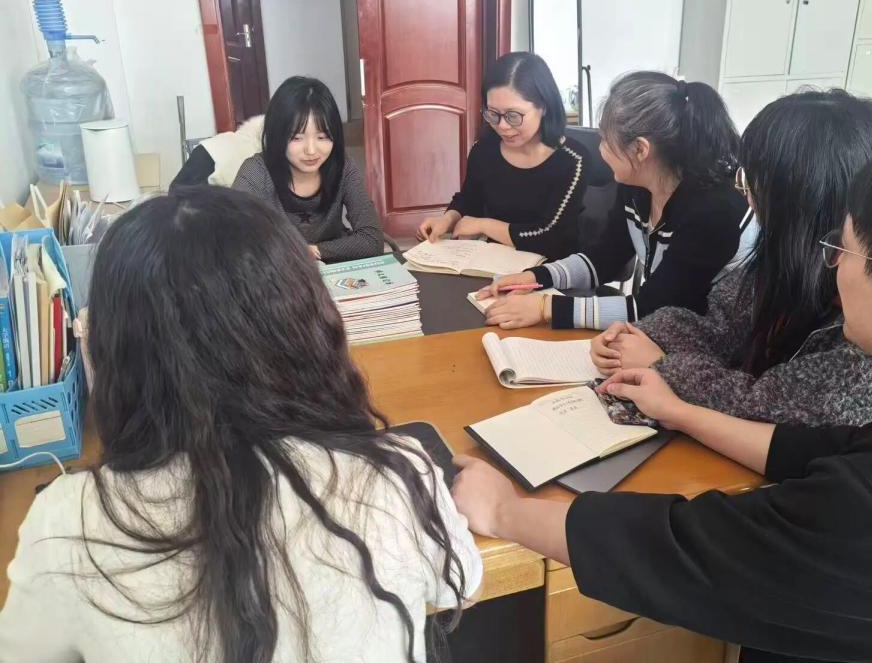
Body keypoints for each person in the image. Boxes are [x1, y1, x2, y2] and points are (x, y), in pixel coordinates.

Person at [451, 128, 872, 663]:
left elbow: (685, 550)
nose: (832, 267)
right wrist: (681, 412)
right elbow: (826, 447)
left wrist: (504, 510)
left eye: (844, 251)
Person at [0, 187, 481, 663]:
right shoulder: (398, 473)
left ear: (114, 347)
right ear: (305, 320)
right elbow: (464, 582)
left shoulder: (65, 524)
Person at [591, 89, 872, 425]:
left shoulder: (870, 318)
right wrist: (638, 336)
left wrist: (662, 365)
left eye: (752, 183)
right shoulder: (786, 260)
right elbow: (720, 323)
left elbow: (768, 406)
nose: (746, 195)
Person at [478, 71, 747, 331]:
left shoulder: (712, 212)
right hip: (661, 330)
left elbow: (656, 307)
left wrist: (545, 308)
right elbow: (605, 258)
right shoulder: (636, 185)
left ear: (640, 149)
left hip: (708, 342)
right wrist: (536, 277)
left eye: (606, 140)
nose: (600, 149)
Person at [416, 52, 587, 259]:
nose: (502, 126)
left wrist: (484, 225)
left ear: (543, 107)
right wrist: (448, 219)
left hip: (551, 268)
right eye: (493, 114)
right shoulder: (484, 149)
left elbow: (552, 237)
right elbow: (470, 199)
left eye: (513, 115)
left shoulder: (572, 160)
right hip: (494, 262)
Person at [233, 76, 383, 262]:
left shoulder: (342, 165)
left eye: (322, 137)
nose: (311, 151)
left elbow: (372, 239)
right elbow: (234, 242)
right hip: (279, 270)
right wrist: (296, 255)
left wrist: (315, 251)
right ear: (277, 135)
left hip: (334, 266)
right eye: (296, 138)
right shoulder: (256, 172)